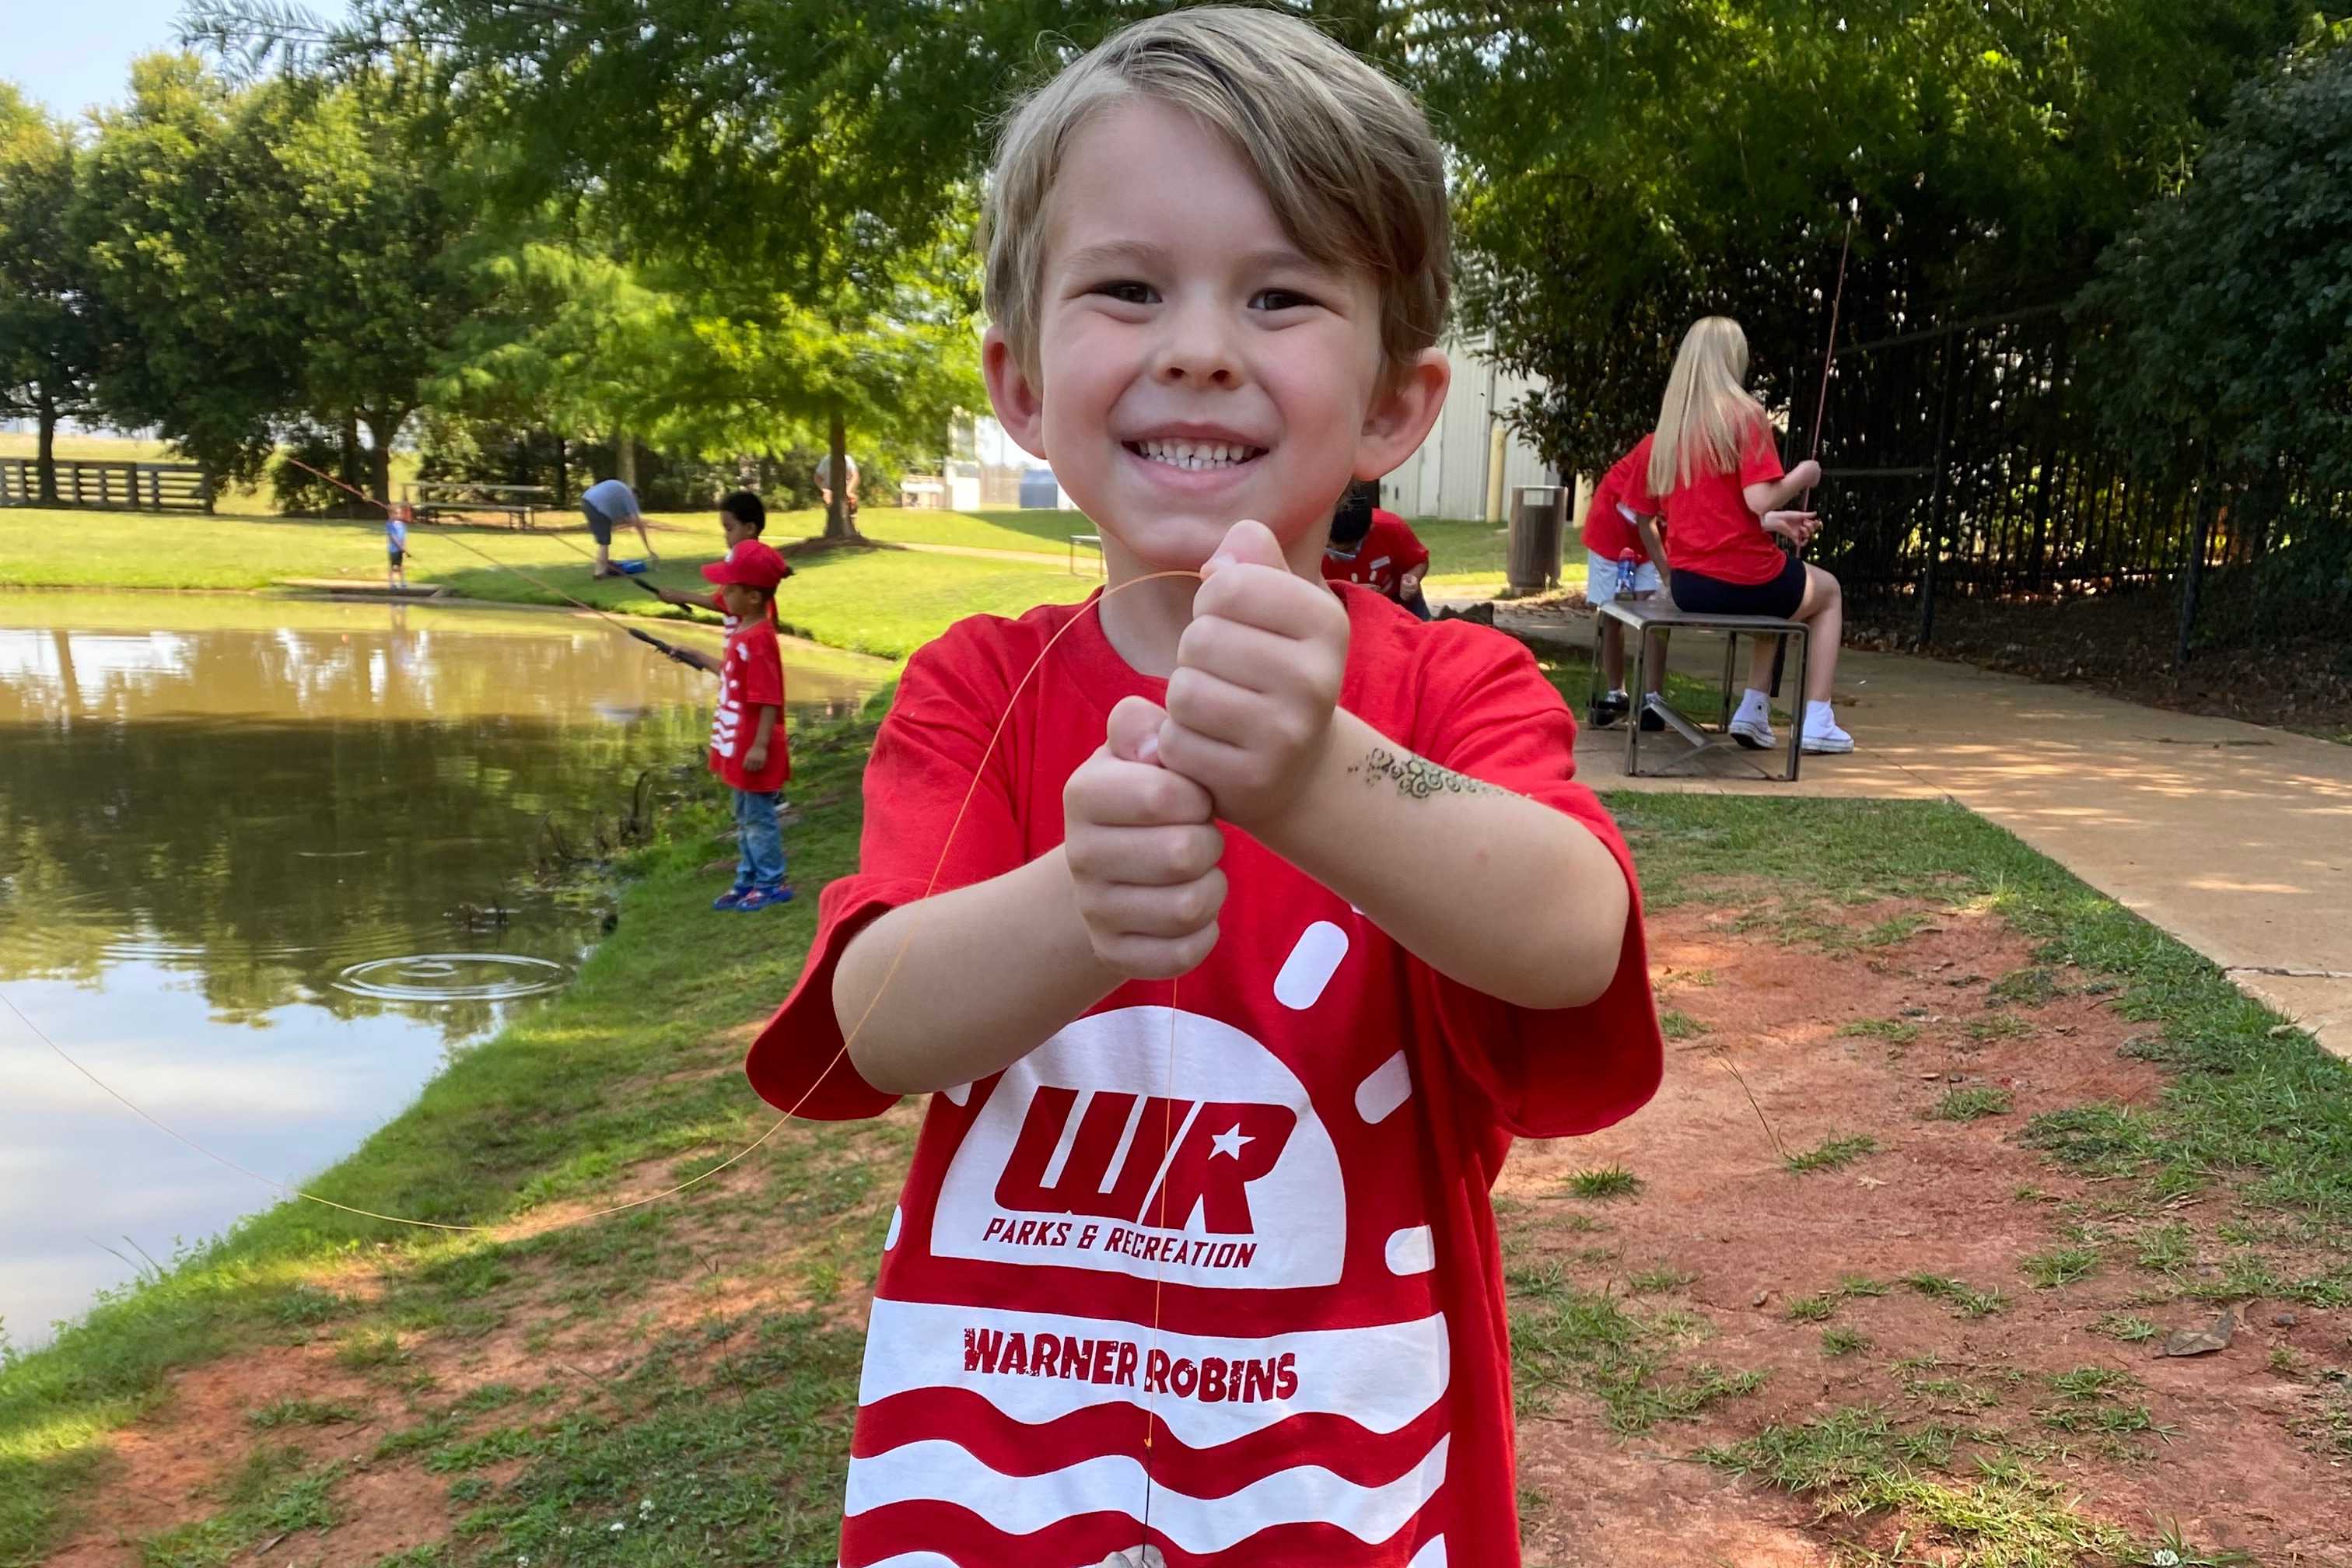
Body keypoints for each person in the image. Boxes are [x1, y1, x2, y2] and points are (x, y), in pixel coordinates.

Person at [742, 12, 1661, 1566]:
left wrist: (1320, 775)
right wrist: (1080, 905)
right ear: (1020, 382)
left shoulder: (1449, 690)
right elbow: (876, 1028)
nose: (1198, 345)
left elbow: (1572, 931)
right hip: (1004, 1483)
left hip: (1344, 1482)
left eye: (1283, 294)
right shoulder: (982, 686)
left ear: (1392, 403)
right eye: (1128, 286)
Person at [1649, 316, 1853, 754]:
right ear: (1731, 359)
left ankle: (1754, 710)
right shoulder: (1745, 414)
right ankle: (1818, 717)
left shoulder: (1673, 430)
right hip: (1742, 577)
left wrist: (1774, 523)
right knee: (1828, 591)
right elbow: (1760, 498)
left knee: (1784, 589)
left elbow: (1708, 513)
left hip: (1688, 584)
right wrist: (1802, 475)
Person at [699, 540, 793, 912]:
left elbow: (768, 697)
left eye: (730, 589)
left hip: (754, 745)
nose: (722, 594)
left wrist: (759, 746)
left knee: (759, 818)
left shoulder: (759, 639)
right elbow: (731, 677)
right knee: (743, 817)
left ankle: (772, 882)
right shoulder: (743, 631)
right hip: (736, 743)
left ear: (753, 597)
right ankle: (748, 879)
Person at [1579, 439, 1668, 728]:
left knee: (1657, 613)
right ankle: (1616, 693)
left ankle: (1655, 698)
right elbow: (1645, 520)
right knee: (1611, 614)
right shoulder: (1655, 448)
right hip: (1611, 532)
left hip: (1652, 534)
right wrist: (1668, 574)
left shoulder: (1701, 453)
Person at [639, 491, 788, 630]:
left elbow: (720, 603)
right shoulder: (753, 557)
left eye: (729, 529)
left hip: (748, 644)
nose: (726, 536)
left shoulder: (747, 562)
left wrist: (681, 596)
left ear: (750, 528)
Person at [1320, 479, 1432, 618]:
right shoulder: (1306, 543)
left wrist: (1412, 580)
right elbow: (1305, 592)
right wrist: (1350, 593)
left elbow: (1420, 561)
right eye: (1331, 550)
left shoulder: (1391, 528)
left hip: (1398, 603)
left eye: (1349, 552)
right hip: (1339, 609)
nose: (1336, 558)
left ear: (1370, 529)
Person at [580, 475, 657, 579]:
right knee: (604, 543)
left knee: (604, 539)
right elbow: (637, 523)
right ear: (636, 496)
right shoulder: (629, 496)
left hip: (586, 500)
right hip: (596, 506)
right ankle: (599, 573)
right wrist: (649, 549)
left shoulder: (621, 490)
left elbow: (615, 516)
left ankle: (606, 564)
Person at [815, 451, 859, 519]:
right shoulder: (826, 461)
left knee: (851, 503)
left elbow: (855, 475)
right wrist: (825, 490)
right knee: (831, 508)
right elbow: (817, 477)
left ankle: (852, 526)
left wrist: (848, 491)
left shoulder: (847, 459)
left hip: (845, 490)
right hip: (831, 490)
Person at [384, 503, 410, 591]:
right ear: (390, 514)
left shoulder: (402, 524)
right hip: (393, 549)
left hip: (401, 548)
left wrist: (404, 547)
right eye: (395, 513)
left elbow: (404, 536)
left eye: (399, 513)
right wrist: (399, 546)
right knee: (393, 566)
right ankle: (392, 582)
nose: (398, 515)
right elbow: (392, 537)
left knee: (401, 566)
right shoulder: (389, 524)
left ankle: (402, 581)